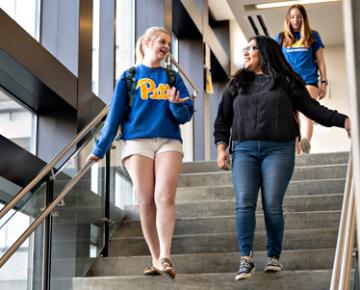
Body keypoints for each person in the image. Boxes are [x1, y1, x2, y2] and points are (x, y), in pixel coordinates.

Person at [213, 35, 350, 281]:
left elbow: (313, 109)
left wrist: (344, 120)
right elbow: (222, 119)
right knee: (244, 201)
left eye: (251, 48)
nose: (246, 52)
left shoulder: (286, 82)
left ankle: (273, 256)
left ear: (265, 52)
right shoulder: (236, 83)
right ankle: (246, 259)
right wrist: (221, 148)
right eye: (245, 48)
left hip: (279, 149)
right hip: (244, 150)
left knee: (272, 203)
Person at [88, 26, 194, 280]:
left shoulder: (172, 77)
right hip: (137, 142)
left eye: (168, 43)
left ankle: (166, 256)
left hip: (168, 140)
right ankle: (156, 258)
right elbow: (114, 116)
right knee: (145, 200)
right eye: (161, 41)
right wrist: (100, 149)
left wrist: (174, 104)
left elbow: (185, 114)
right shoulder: (129, 77)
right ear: (146, 43)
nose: (166, 47)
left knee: (164, 196)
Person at [275, 4, 328, 154]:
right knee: (292, 117)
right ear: (288, 19)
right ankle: (296, 149)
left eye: (299, 17)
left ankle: (305, 142)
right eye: (292, 17)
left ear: (304, 19)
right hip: (288, 82)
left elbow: (321, 61)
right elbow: (275, 61)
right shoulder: (281, 38)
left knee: (306, 111)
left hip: (308, 80)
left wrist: (324, 82)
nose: (296, 20)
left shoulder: (313, 35)